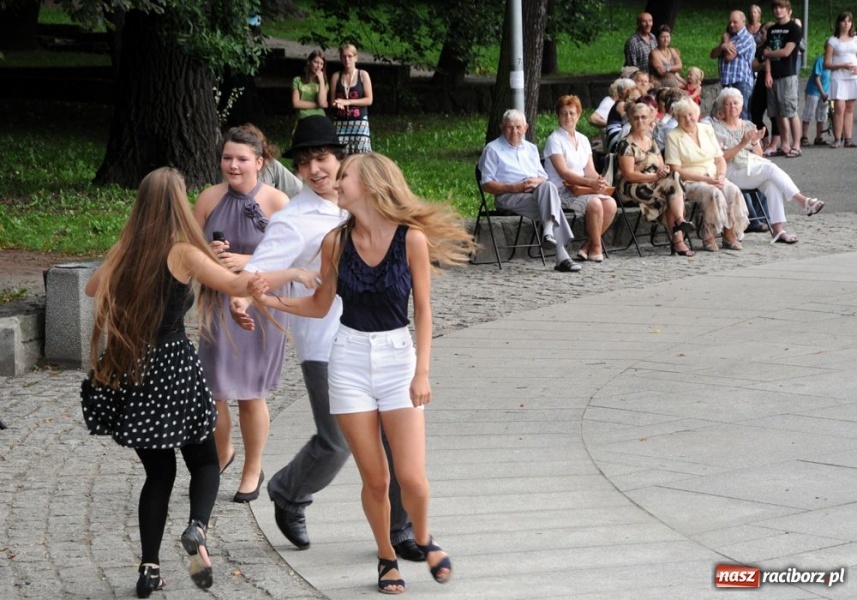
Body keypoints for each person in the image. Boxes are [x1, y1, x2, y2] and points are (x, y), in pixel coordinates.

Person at [248, 152, 472, 593]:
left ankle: (423, 537)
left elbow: (424, 312)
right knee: (376, 478)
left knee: (412, 479)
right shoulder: (335, 242)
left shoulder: (411, 240)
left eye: (345, 175)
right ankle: (387, 559)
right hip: (347, 360)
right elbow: (318, 304)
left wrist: (422, 372)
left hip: (397, 359)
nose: (336, 181)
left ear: (368, 184)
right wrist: (270, 301)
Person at [231, 115, 426, 562]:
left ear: (340, 159)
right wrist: (246, 300)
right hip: (326, 346)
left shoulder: (359, 198)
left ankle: (402, 530)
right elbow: (254, 273)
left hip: (383, 341)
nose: (315, 169)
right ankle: (288, 491)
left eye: (321, 158)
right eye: (304, 163)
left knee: (398, 444)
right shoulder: (294, 220)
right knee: (337, 442)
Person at [80, 167, 264, 597]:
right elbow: (233, 281)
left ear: (141, 204)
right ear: (179, 202)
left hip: (134, 368)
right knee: (203, 460)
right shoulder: (181, 252)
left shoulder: (126, 249)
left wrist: (119, 254)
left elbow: (91, 289)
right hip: (174, 367)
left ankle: (148, 568)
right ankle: (197, 527)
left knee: (158, 475)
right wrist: (268, 272)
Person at [193, 125, 289, 503]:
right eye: (227, 158)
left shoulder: (278, 201)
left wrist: (247, 260)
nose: (233, 165)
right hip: (218, 304)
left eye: (242, 159)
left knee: (250, 394)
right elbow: (188, 248)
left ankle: (253, 466)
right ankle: (223, 450)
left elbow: (294, 255)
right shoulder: (208, 198)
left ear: (259, 162)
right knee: (213, 391)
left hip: (260, 307)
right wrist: (209, 256)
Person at [711, 88, 825, 245]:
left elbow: (759, 155)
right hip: (730, 171)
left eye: (736, 103)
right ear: (722, 107)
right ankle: (803, 201)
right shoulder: (718, 129)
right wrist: (743, 143)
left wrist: (754, 141)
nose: (732, 107)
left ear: (741, 105)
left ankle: (778, 231)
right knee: (770, 170)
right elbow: (721, 158)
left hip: (751, 168)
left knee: (772, 184)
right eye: (728, 104)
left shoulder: (748, 125)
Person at [478, 109, 581, 273]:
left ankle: (549, 233)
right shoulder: (492, 149)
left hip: (535, 193)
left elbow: (543, 176)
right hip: (508, 196)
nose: (514, 131)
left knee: (548, 186)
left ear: (526, 127)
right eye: (510, 127)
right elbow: (487, 183)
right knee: (550, 205)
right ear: (502, 128)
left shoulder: (531, 148)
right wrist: (513, 187)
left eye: (518, 127)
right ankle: (560, 253)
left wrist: (536, 181)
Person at [665, 99, 749, 252]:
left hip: (713, 175)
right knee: (714, 193)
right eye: (683, 116)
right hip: (689, 180)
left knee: (732, 190)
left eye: (691, 114)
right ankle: (708, 236)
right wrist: (706, 180)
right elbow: (675, 169)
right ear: (677, 118)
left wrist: (722, 175)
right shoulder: (673, 136)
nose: (688, 119)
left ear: (697, 114)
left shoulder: (706, 129)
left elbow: (719, 159)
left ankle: (729, 235)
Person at [543, 95, 617, 262]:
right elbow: (564, 173)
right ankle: (597, 248)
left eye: (572, 113)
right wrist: (590, 183)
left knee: (611, 204)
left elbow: (589, 169)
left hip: (581, 189)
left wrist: (599, 180)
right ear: (558, 116)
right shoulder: (554, 140)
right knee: (595, 203)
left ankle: (586, 246)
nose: (568, 117)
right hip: (561, 190)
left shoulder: (583, 139)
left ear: (578, 115)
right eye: (563, 113)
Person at [616, 102, 695, 257]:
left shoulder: (651, 142)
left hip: (655, 184)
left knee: (673, 179)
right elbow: (628, 175)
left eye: (643, 117)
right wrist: (654, 176)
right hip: (632, 186)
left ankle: (679, 225)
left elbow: (662, 165)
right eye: (636, 118)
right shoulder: (625, 144)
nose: (640, 121)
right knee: (671, 192)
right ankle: (679, 234)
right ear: (630, 120)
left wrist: (663, 170)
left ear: (650, 119)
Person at [762, 0, 803, 157]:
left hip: (788, 75)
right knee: (778, 112)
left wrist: (768, 54)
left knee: (790, 111)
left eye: (781, 7)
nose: (778, 10)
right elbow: (766, 51)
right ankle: (784, 144)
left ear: (788, 10)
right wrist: (767, 72)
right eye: (775, 8)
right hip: (773, 74)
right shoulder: (772, 29)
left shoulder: (794, 28)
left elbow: (786, 51)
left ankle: (796, 145)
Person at [710, 11, 756, 119]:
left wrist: (725, 42)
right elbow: (712, 54)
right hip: (726, 82)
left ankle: (744, 136)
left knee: (741, 115)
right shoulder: (730, 38)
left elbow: (729, 57)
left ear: (743, 22)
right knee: (727, 116)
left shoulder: (747, 38)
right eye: (730, 22)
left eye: (735, 22)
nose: (731, 25)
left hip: (741, 82)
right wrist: (722, 46)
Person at [330, 43, 373, 154]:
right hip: (341, 123)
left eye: (350, 56)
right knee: (340, 154)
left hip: (359, 123)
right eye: (344, 56)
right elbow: (332, 101)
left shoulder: (363, 75)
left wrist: (348, 102)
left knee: (361, 156)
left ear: (355, 58)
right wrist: (337, 103)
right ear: (340, 59)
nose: (347, 59)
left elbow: (369, 100)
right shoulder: (336, 76)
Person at [823, 12, 857, 148]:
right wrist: (842, 65)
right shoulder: (833, 41)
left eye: (849, 21)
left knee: (849, 108)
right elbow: (827, 63)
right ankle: (838, 138)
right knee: (839, 108)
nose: (846, 24)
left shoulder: (855, 39)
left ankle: (848, 138)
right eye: (844, 21)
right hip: (838, 77)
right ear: (839, 23)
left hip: (852, 77)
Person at [801, 46, 832, 146]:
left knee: (822, 115)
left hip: (825, 92)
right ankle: (804, 137)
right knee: (809, 113)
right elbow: (816, 78)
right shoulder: (820, 60)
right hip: (814, 91)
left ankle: (819, 137)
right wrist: (822, 92)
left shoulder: (833, 62)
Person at [604, 80, 640, 152]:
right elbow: (630, 121)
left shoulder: (620, 103)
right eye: (634, 89)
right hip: (616, 138)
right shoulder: (622, 105)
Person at [292, 50, 328, 120]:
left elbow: (321, 102)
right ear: (309, 62)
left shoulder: (324, 82)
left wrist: (321, 80)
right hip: (304, 117)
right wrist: (318, 105)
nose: (318, 66)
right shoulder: (297, 80)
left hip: (320, 117)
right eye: (316, 62)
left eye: (321, 64)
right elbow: (296, 103)